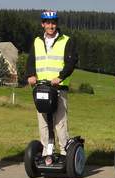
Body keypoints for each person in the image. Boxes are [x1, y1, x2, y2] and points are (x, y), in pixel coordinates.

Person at [25, 10, 78, 157]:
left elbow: (71, 61)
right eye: (48, 23)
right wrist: (30, 75)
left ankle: (64, 152)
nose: (51, 26)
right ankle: (46, 151)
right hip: (41, 88)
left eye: (53, 23)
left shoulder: (66, 40)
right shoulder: (37, 41)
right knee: (43, 121)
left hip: (58, 88)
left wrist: (60, 77)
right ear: (43, 24)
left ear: (57, 24)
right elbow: (31, 61)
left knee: (60, 121)